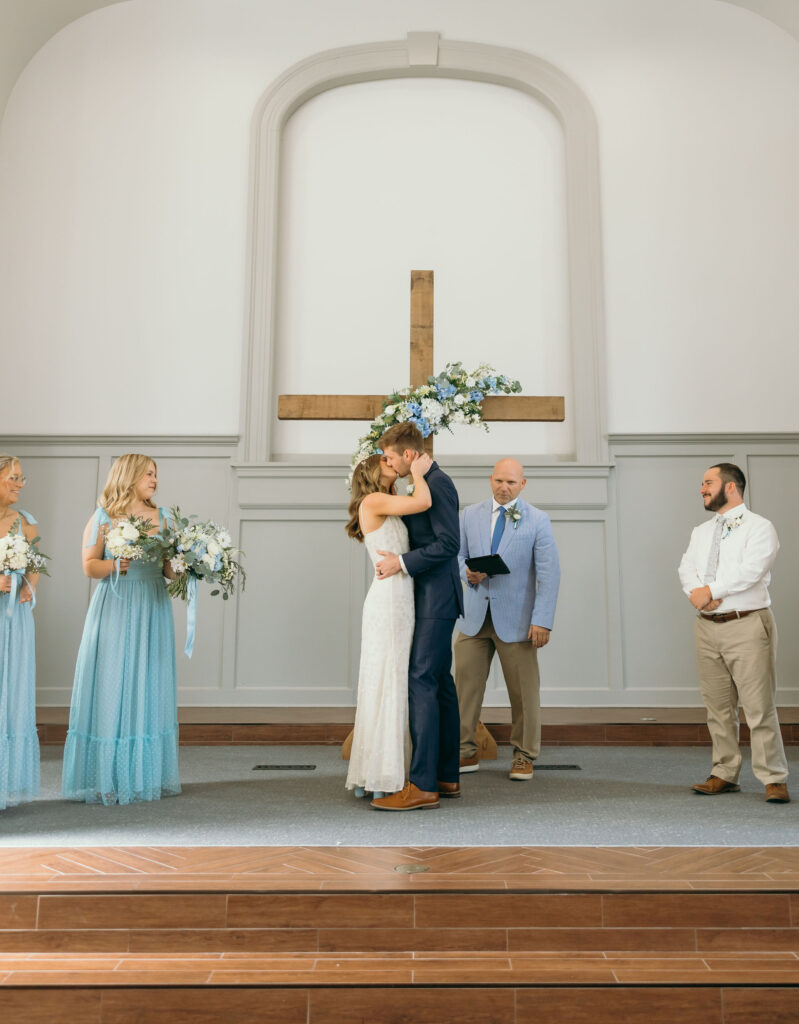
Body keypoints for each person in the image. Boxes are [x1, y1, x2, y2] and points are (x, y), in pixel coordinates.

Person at [62, 454, 181, 805]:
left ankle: (144, 777)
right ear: (129, 476)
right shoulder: (103, 517)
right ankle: (107, 777)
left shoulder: (162, 518)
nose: (155, 480)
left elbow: (169, 571)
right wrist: (115, 564)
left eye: (156, 474)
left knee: (148, 680)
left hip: (152, 604)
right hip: (115, 603)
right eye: (149, 473)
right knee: (113, 682)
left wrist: (189, 563)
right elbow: (89, 566)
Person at [678, 463, 789, 803]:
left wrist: (710, 590)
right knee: (718, 708)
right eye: (701, 483)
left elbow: (752, 571)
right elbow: (686, 568)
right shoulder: (700, 531)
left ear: (731, 487)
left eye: (708, 482)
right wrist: (698, 593)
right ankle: (724, 771)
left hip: (747, 625)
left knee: (759, 707)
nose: (701, 489)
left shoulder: (760, 527)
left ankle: (774, 778)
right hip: (708, 627)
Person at [372, 424, 464, 811]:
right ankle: (446, 775)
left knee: (422, 680)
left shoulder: (437, 483)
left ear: (408, 455)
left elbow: (448, 544)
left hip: (436, 598)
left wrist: (401, 562)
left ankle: (423, 785)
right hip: (433, 596)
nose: (388, 463)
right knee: (440, 683)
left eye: (391, 457)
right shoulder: (426, 482)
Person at [455, 458, 560, 781]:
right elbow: (455, 556)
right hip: (473, 616)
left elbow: (549, 574)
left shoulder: (538, 520)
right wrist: (466, 572)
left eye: (511, 483)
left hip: (518, 620)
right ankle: (464, 752)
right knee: (464, 689)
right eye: (499, 481)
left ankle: (524, 755)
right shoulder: (468, 515)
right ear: (491, 480)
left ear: (523, 485)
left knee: (524, 693)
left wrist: (542, 620)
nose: (504, 487)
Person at [344, 451, 433, 798]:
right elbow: (423, 501)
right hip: (389, 599)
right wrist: (420, 472)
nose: (392, 464)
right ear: (370, 471)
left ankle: (375, 772)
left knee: (390, 679)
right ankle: (380, 774)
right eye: (386, 462)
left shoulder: (388, 498)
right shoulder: (374, 500)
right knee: (387, 678)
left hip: (400, 595)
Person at [0, 455, 41, 810]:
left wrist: (28, 586)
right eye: (14, 477)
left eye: (21, 477)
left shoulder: (26, 523)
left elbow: (35, 566)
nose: (20, 483)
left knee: (11, 693)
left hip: (14, 617)